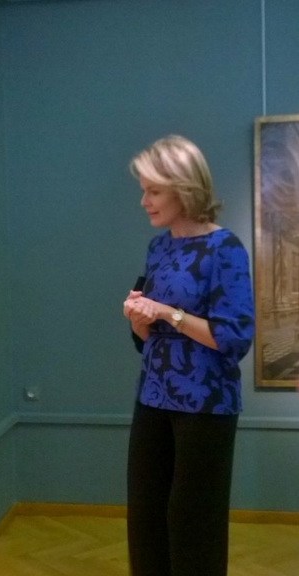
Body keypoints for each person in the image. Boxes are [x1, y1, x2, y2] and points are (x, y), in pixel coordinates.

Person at [123, 135, 255, 576]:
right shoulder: (159, 248)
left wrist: (168, 313)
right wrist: (140, 320)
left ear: (184, 189)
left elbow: (234, 338)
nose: (144, 201)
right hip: (153, 397)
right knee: (146, 520)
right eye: (143, 190)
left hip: (206, 406)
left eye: (153, 191)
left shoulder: (225, 248)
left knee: (193, 525)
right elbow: (149, 339)